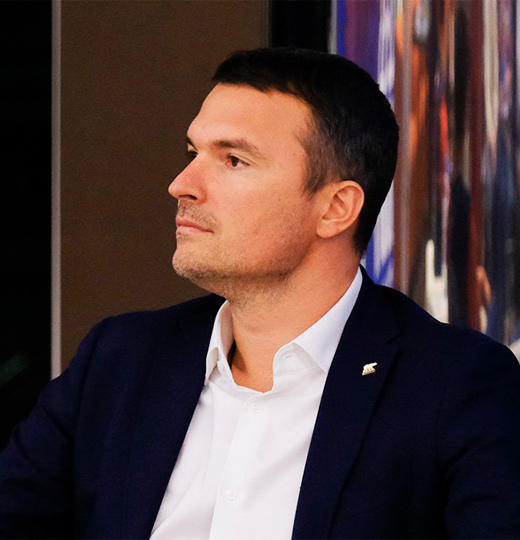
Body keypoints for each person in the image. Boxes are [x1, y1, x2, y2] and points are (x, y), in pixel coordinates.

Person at [1, 47, 520, 540]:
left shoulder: (456, 386)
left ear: (336, 208)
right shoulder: (119, 362)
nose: (181, 184)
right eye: (193, 152)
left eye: (233, 160)